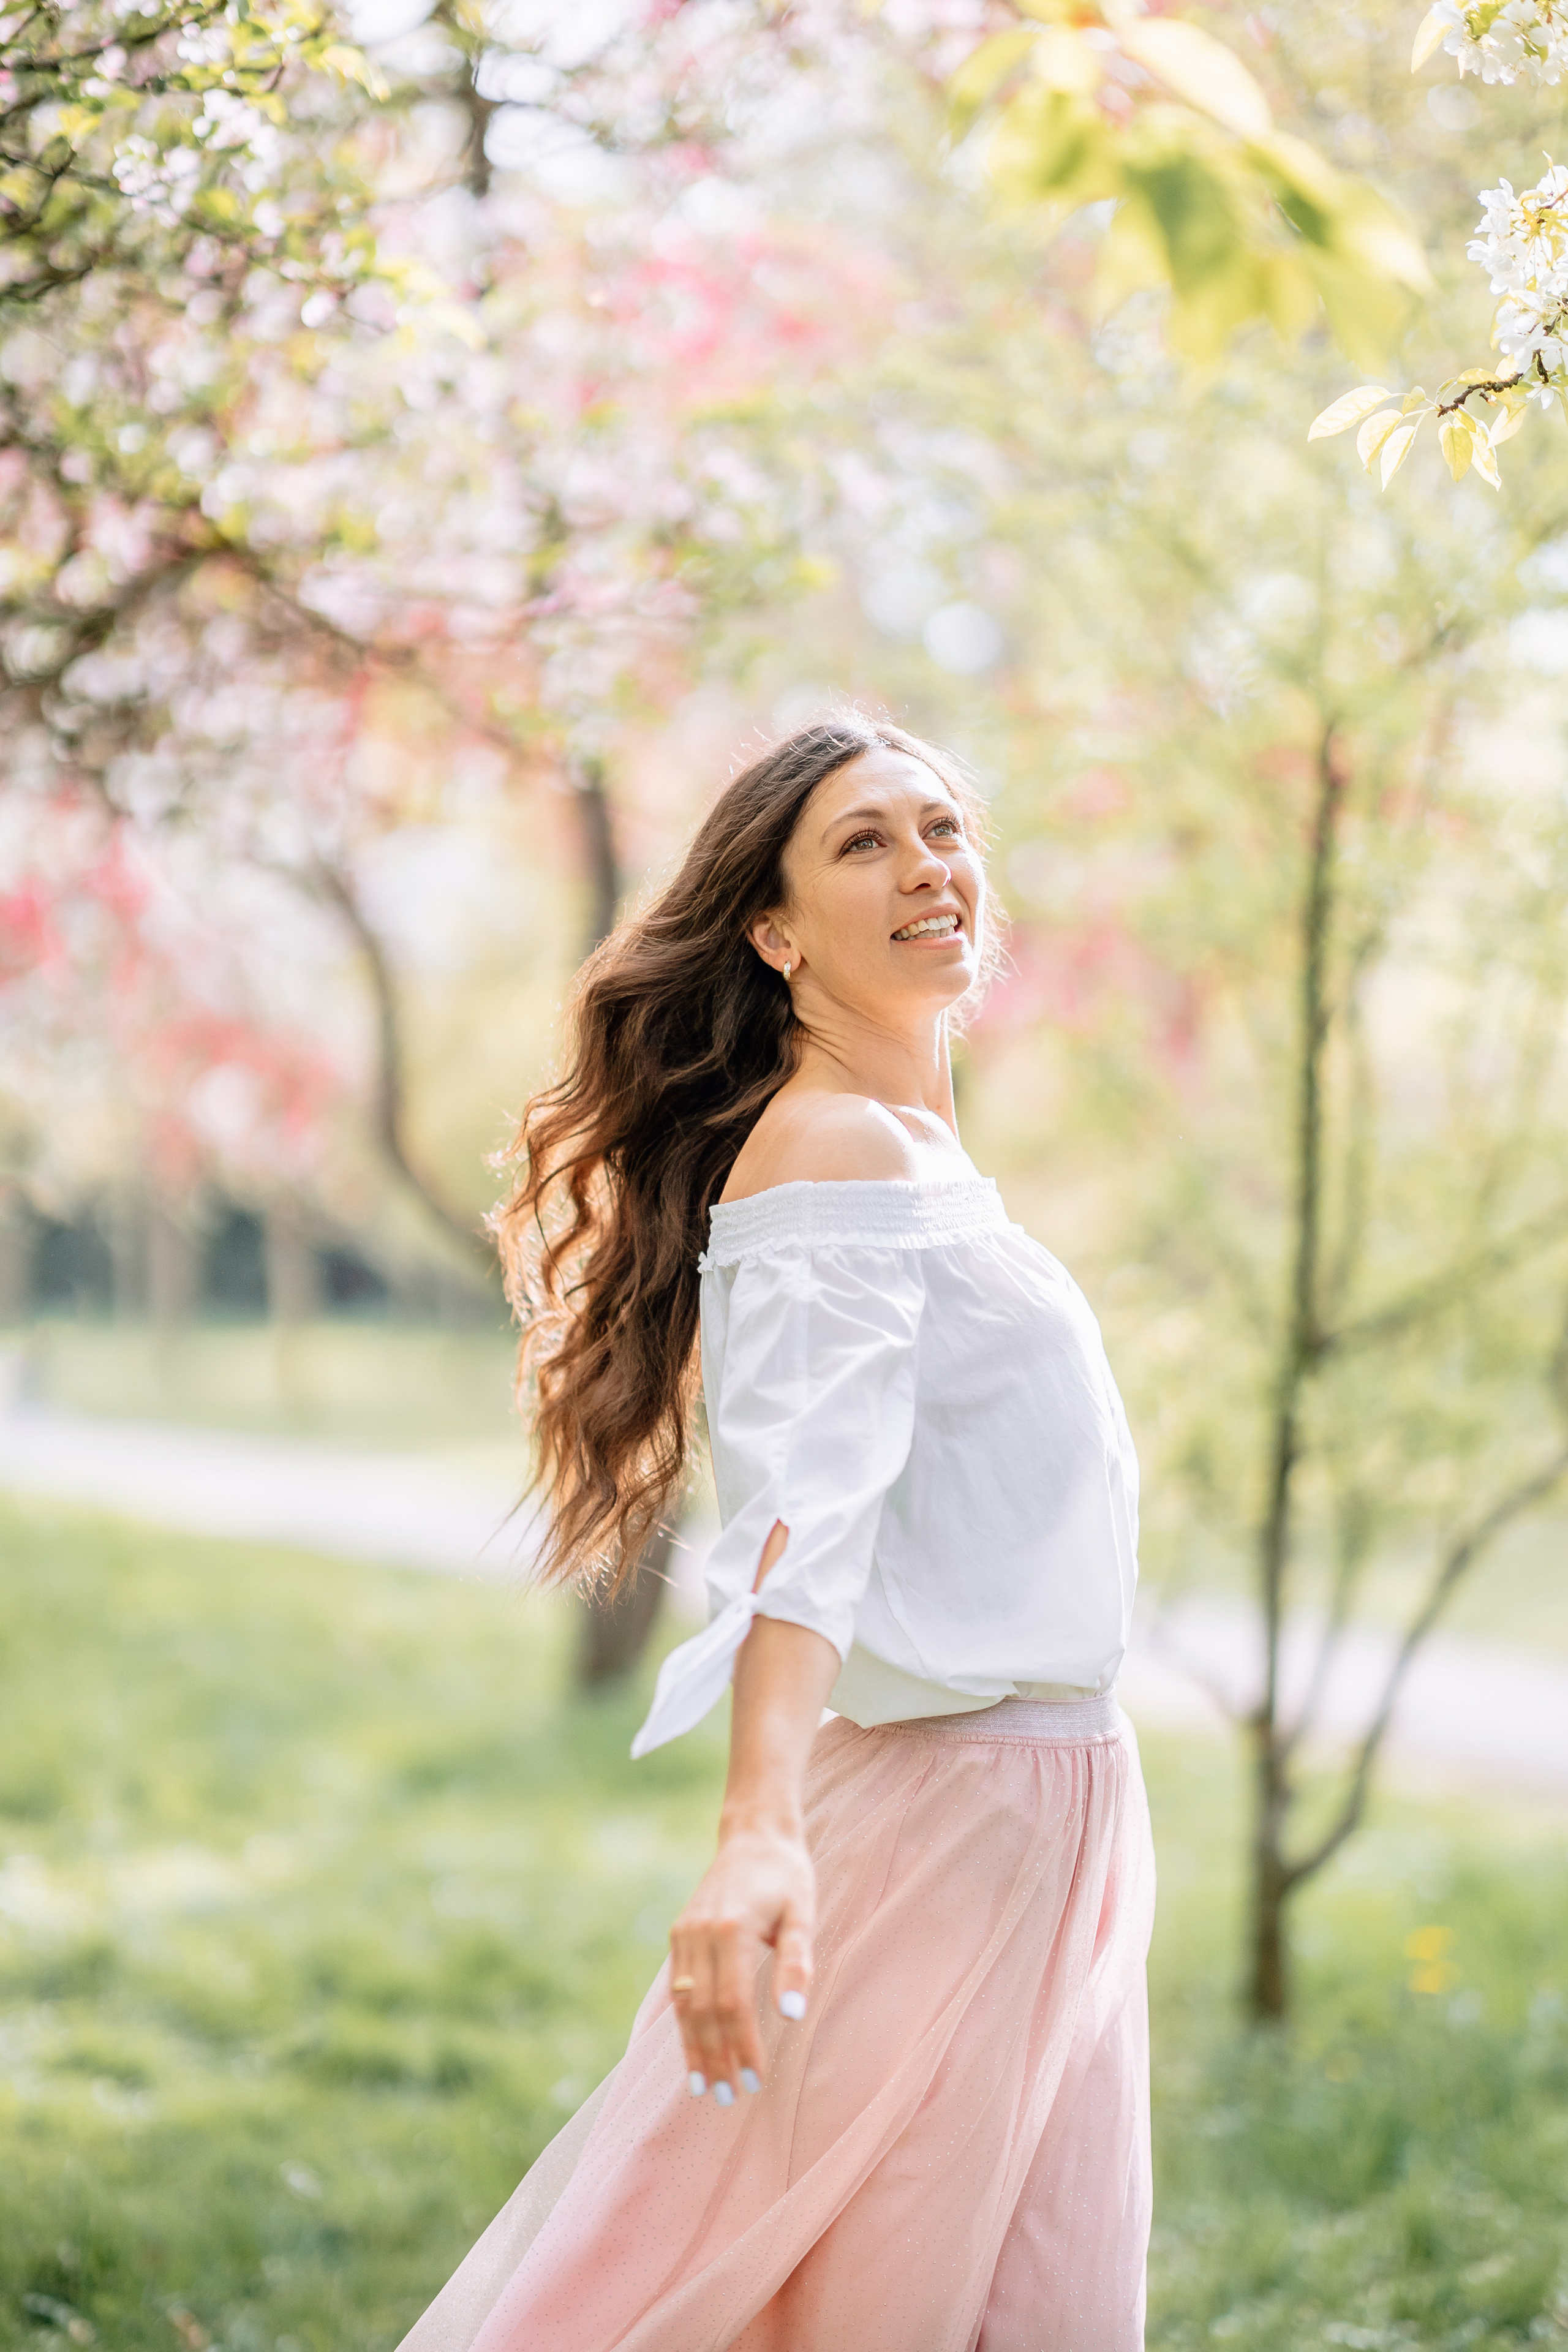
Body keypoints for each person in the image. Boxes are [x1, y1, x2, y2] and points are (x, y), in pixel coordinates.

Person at [397, 717, 1155, 2352]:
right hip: (948, 1827)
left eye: (942, 826)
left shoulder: (916, 1151)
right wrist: (757, 1826)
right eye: (863, 843)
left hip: (1050, 1813)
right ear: (775, 929)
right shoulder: (828, 1149)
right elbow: (807, 1512)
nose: (925, 867)